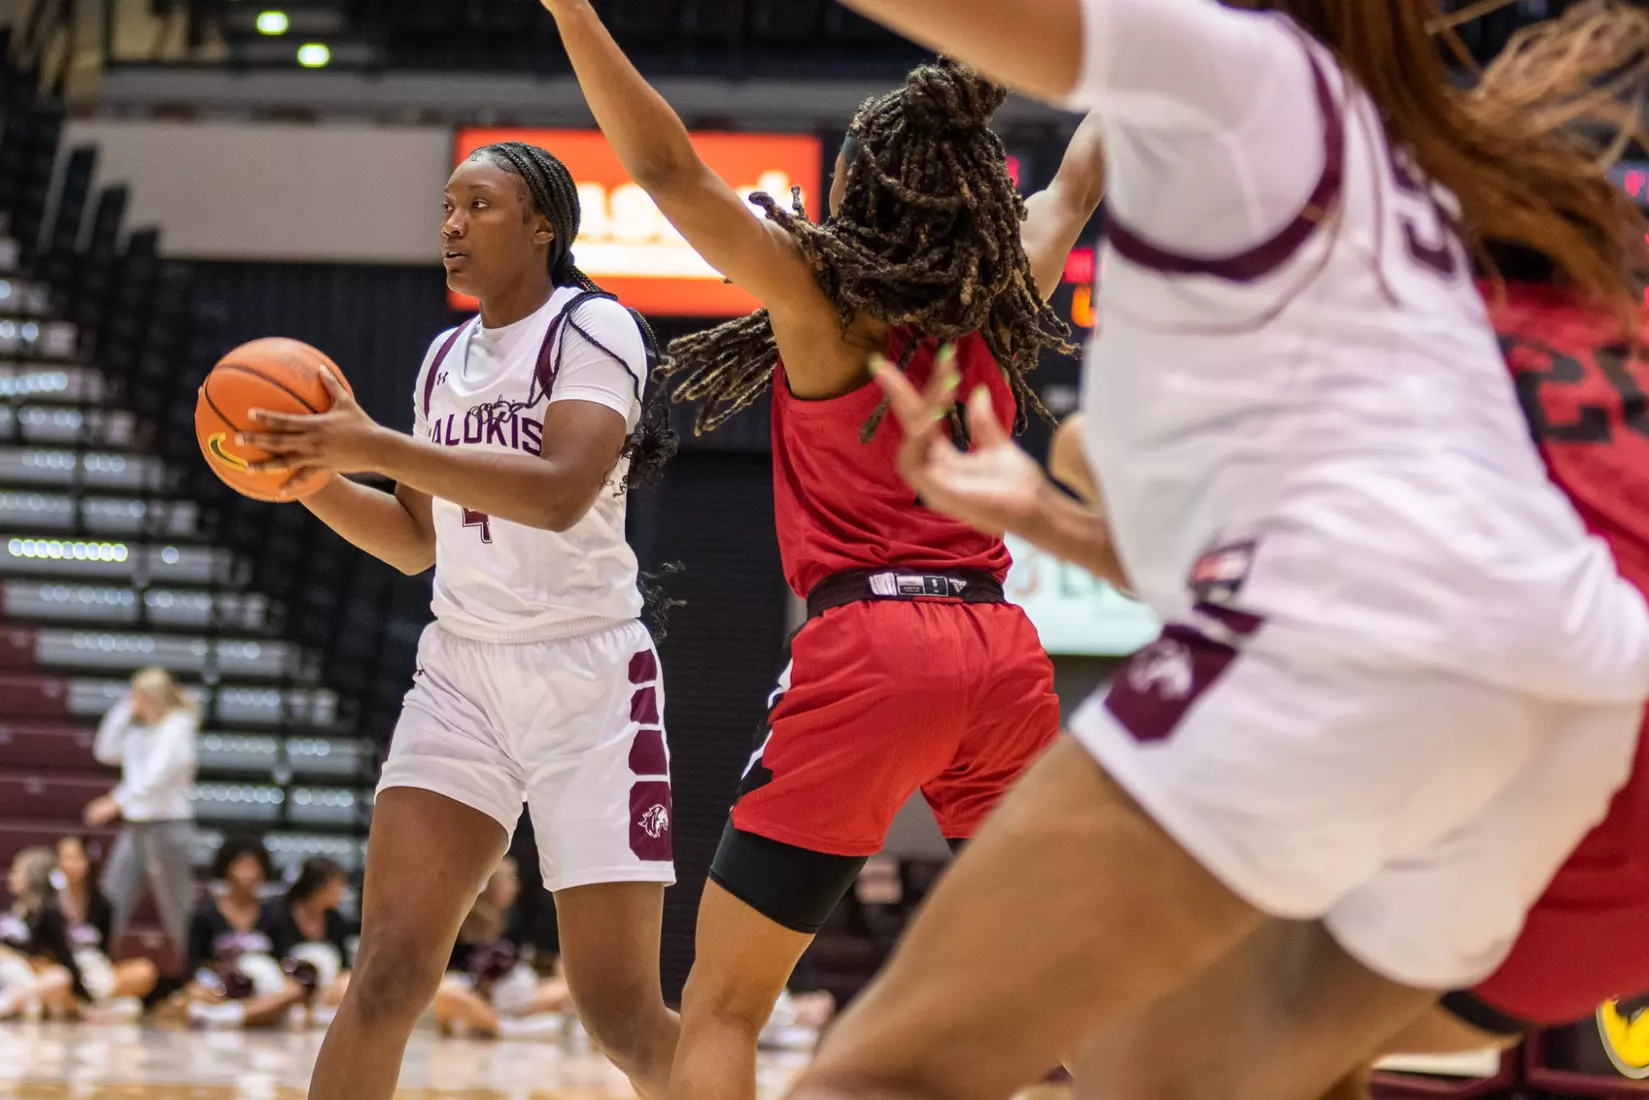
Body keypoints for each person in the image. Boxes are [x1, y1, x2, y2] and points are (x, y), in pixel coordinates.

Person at [764, 2, 1649, 1100]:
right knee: (1223, 1074)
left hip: (1374, 641)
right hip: (1575, 663)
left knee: (886, 1073)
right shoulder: (1367, 175)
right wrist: (1040, 515)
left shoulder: (1239, 74)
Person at [533, 6, 1105, 1100]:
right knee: (1063, 982)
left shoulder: (823, 307)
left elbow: (665, 170)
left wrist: (573, 13)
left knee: (723, 1003)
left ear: (864, 188)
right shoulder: (1001, 290)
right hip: (998, 644)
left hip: (876, 645)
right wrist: (1167, 54)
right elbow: (1075, 181)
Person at [235, 140, 679, 1100]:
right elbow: (412, 540)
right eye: (445, 206)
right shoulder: (444, 358)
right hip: (462, 675)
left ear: (542, 226)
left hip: (588, 682)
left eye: (477, 206)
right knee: (388, 972)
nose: (450, 225)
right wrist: (308, 479)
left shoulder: (593, 328)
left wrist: (374, 443)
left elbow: (561, 492)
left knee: (620, 1015)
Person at [85, 666, 199, 969]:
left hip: (168, 826)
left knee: (177, 905)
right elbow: (105, 751)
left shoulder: (178, 725)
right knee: (113, 896)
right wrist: (123, 709)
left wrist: (115, 802)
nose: (134, 701)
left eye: (138, 695)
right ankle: (94, 967)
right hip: (135, 826)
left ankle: (195, 971)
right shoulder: (137, 729)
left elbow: (156, 777)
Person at [170, 834, 312, 1029]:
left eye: (255, 867)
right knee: (190, 996)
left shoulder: (275, 915)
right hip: (220, 989)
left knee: (294, 991)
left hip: (265, 988)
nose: (249, 874)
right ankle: (252, 1015)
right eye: (242, 866)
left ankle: (230, 1017)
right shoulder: (204, 914)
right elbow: (194, 964)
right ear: (226, 867)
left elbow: (284, 960)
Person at [432, 856, 573, 1039]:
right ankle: (501, 1027)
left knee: (567, 990)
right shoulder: (463, 920)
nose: (516, 887)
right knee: (445, 993)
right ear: (493, 884)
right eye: (511, 880)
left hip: (514, 994)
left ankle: (490, 1022)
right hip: (473, 993)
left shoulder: (515, 918)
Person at [55, 834, 158, 1012]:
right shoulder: (51, 901)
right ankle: (93, 1004)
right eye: (64, 858)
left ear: (88, 861)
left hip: (95, 970)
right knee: (56, 979)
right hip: (64, 970)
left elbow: (105, 951)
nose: (69, 864)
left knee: (145, 970)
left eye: (74, 858)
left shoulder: (102, 905)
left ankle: (87, 1005)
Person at [0, 848, 86, 1019]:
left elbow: (62, 957)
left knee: (60, 977)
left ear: (33, 875)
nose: (11, 876)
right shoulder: (16, 909)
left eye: (17, 871)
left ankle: (11, 1003)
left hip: (30, 975)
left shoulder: (49, 913)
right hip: (10, 972)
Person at [261, 857, 355, 1010]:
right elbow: (271, 960)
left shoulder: (336, 920)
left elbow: (343, 965)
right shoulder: (279, 915)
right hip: (286, 984)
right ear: (320, 887)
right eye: (338, 885)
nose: (342, 891)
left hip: (325, 987)